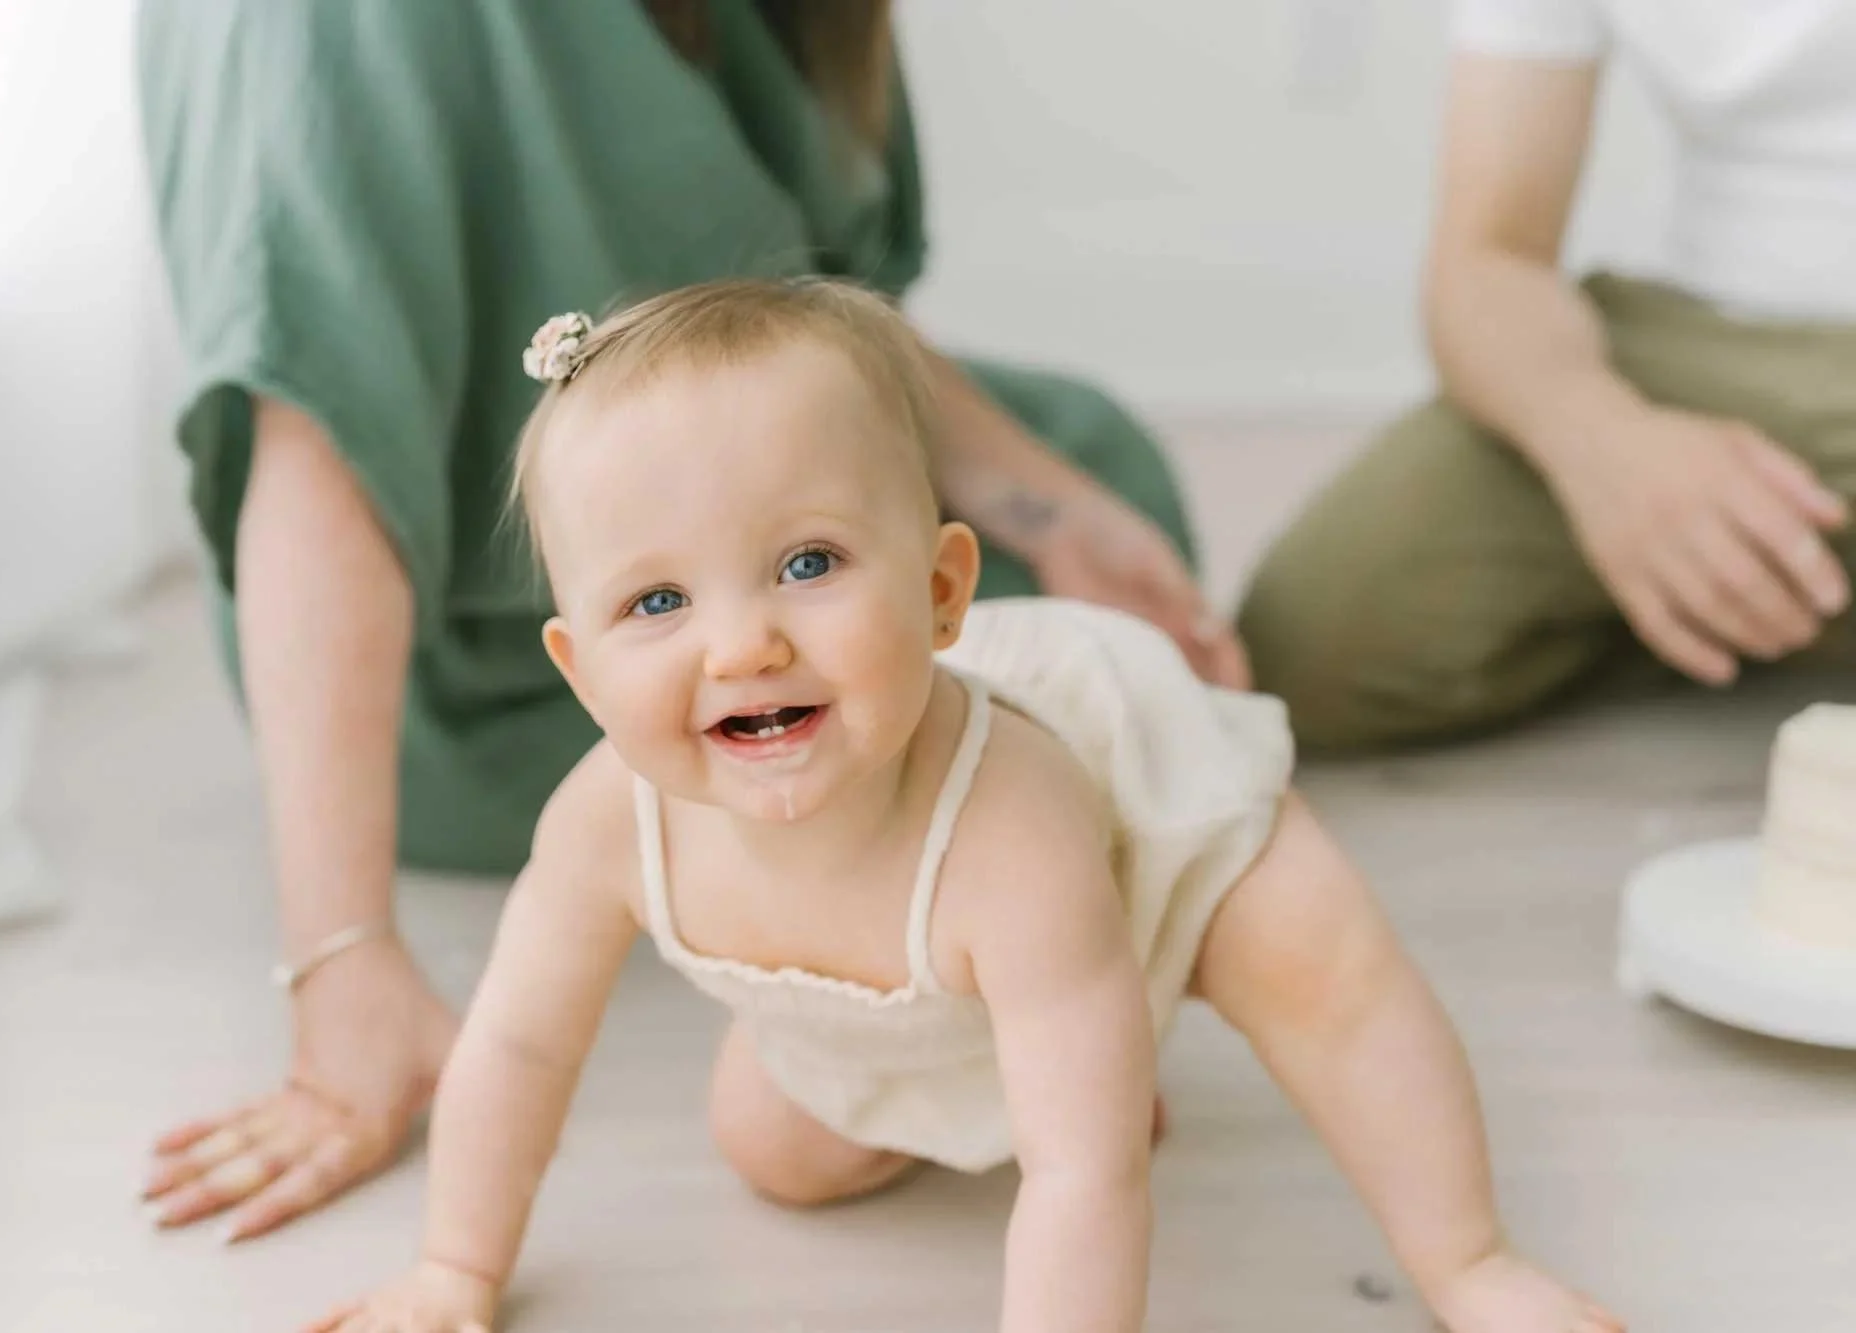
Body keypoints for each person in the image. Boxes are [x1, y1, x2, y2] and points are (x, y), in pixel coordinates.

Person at [294, 278, 1621, 1333]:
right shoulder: (607, 826)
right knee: (773, 1152)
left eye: (806, 562)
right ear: (579, 670)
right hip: (908, 978)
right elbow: (519, 1048)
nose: (743, 645)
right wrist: (452, 1270)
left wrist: (1090, 1136)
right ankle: (1053, 1045)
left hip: (1137, 826)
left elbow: (1084, 1181)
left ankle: (1471, 1258)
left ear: (940, 595)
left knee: (1322, 978)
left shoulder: (1016, 827)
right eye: (657, 602)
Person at [133, 0, 1252, 1243]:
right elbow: (320, 443)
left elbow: (801, 343)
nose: (748, 648)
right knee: (1023, 696)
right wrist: (342, 959)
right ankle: (972, 992)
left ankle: (1032, 972)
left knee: (1101, 481)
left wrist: (1052, 506)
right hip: (462, 664)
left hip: (704, 522)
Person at [1239, 0, 1856, 750]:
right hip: (1702, 334)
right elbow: (1486, 264)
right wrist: (1611, 452)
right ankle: (1753, 601)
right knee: (1310, 640)